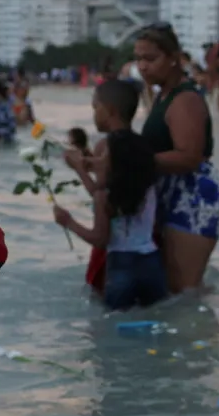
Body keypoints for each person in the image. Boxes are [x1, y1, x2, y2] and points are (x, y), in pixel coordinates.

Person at [131, 24, 219, 293]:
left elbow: (189, 157)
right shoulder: (162, 93)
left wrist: (133, 160)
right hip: (175, 197)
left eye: (150, 59)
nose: (142, 66)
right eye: (138, 59)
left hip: (193, 200)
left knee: (184, 291)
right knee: (178, 289)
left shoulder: (184, 99)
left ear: (174, 57)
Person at [54, 80, 163, 310]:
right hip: (153, 261)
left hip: (121, 265)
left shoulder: (106, 193)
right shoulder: (143, 175)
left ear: (110, 110)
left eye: (96, 107)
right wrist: (83, 169)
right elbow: (103, 188)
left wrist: (68, 222)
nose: (95, 161)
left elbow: (101, 239)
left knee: (112, 329)